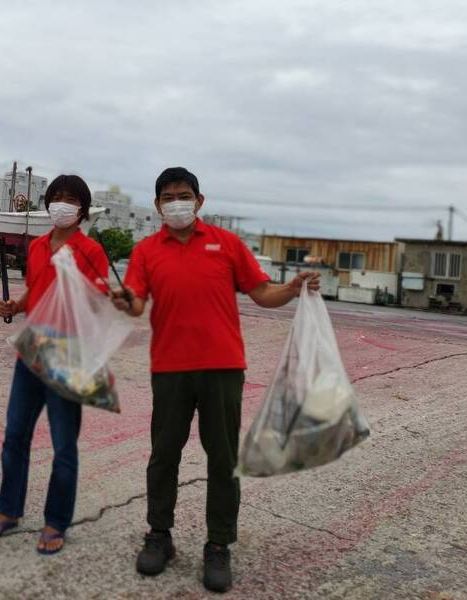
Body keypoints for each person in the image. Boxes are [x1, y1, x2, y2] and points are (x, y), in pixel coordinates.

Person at [113, 167, 320, 593]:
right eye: (168, 197)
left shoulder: (227, 244)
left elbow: (262, 293)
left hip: (223, 367)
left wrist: (293, 287)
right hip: (169, 369)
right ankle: (159, 535)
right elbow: (135, 304)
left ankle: (219, 544)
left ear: (200, 200)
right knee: (163, 455)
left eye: (183, 195)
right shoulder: (146, 251)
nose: (176, 203)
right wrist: (124, 300)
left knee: (222, 458)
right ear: (157, 205)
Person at [0, 174, 109, 555]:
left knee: (63, 444)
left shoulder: (90, 251)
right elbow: (35, 289)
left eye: (71, 199)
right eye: (56, 197)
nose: (61, 204)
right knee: (15, 435)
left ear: (82, 209)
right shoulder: (36, 246)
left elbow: (98, 303)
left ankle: (56, 521)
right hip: (31, 352)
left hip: (67, 355)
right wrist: (16, 305)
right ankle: (8, 510)